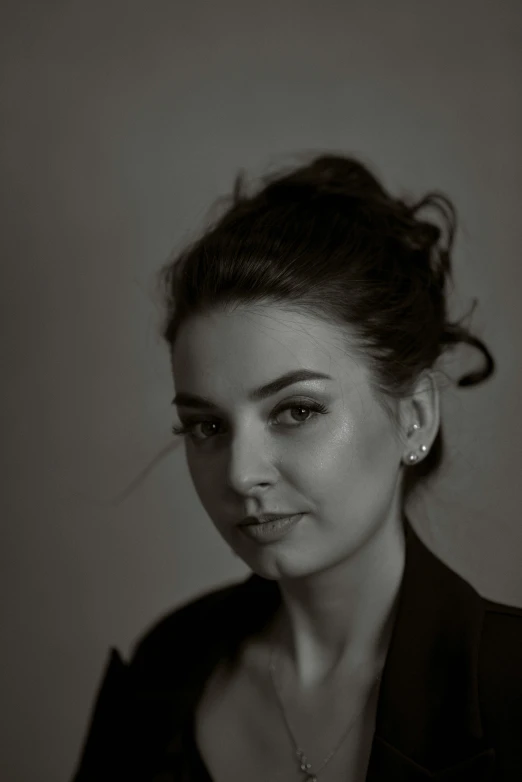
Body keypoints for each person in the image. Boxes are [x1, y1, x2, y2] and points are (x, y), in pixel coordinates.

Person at [70, 154, 522, 781]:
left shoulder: (509, 692)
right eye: (207, 426)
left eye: (297, 410)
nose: (239, 474)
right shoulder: (161, 675)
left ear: (414, 417)